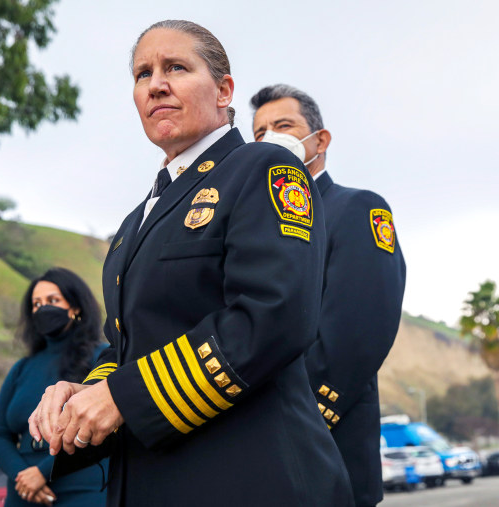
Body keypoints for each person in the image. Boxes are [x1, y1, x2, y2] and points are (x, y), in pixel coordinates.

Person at [28, 20, 353, 507]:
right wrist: (82, 398)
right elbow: (129, 347)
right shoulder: (135, 221)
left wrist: (122, 397)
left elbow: (273, 314)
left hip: (250, 478)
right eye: (142, 74)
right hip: (150, 479)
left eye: (176, 67)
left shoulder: (262, 169)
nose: (156, 83)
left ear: (224, 91)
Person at [252, 84, 406, 507]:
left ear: (320, 140)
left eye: (284, 126)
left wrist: (300, 423)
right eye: (260, 133)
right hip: (258, 454)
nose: (271, 138)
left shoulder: (356, 210)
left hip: (326, 449)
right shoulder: (253, 227)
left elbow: (357, 331)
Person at [0, 267, 107, 507]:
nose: (43, 308)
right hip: (24, 492)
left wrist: (43, 473)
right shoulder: (22, 368)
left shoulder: (103, 358)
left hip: (82, 487)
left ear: (75, 307)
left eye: (53, 300)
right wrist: (22, 475)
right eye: (36, 304)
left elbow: (100, 424)